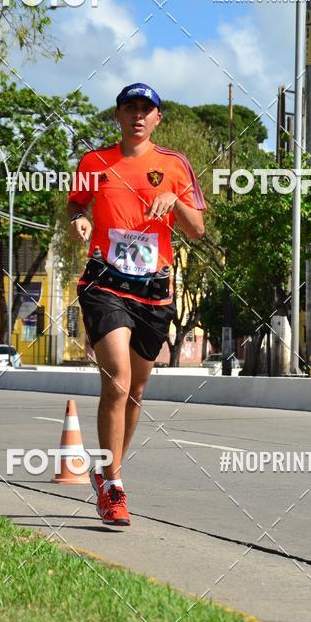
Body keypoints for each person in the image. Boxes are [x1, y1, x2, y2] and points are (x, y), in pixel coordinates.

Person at [68, 83, 206, 525]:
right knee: (119, 380)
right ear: (118, 115)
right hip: (105, 281)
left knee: (138, 391)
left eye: (147, 109)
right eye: (131, 108)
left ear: (158, 118)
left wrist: (175, 204)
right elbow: (76, 206)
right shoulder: (94, 162)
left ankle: (110, 471)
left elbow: (197, 229)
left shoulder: (174, 166)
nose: (138, 116)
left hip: (154, 288)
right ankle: (113, 486)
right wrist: (81, 220)